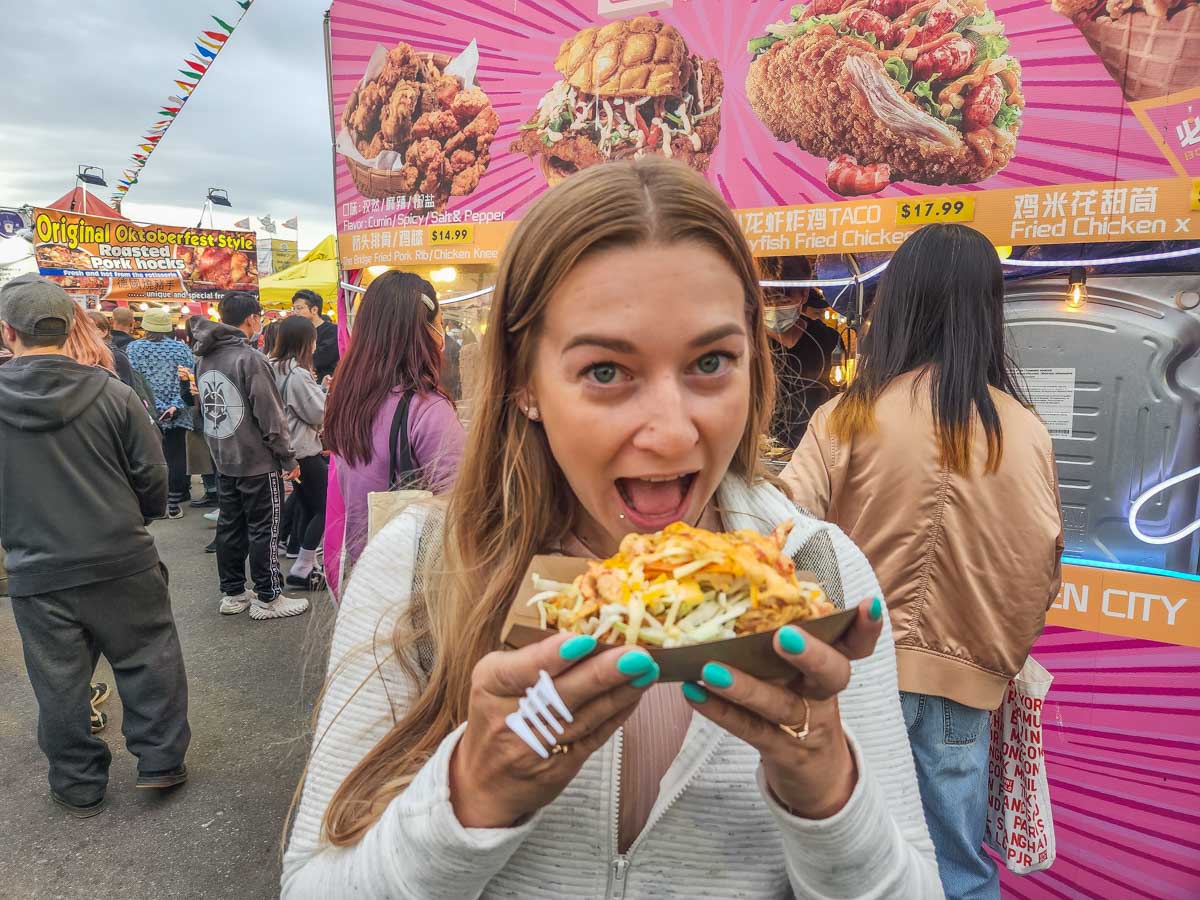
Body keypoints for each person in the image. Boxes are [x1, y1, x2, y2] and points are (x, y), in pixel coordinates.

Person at [282, 159, 939, 897]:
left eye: (712, 361)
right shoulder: (421, 569)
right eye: (605, 371)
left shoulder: (821, 573)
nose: (669, 432)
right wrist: (473, 796)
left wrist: (829, 794)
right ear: (526, 381)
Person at [782, 223, 1064, 900]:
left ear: (899, 301)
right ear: (987, 310)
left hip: (852, 675)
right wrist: (990, 658)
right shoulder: (1023, 431)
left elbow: (783, 533)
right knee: (956, 867)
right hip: (963, 691)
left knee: (842, 860)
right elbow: (1041, 568)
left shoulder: (848, 417)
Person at [0, 274, 190, 818]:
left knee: (59, 680)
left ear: (7, 331)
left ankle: (78, 782)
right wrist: (140, 516)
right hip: (121, 556)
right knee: (149, 659)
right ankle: (159, 762)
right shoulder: (114, 392)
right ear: (71, 326)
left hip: (37, 567)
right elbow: (153, 475)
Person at [321, 271, 464, 587]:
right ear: (423, 331)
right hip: (409, 579)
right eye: (439, 324)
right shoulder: (427, 409)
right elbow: (459, 512)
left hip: (358, 569)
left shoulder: (348, 397)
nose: (442, 335)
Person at [192, 291, 309, 621]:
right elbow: (270, 415)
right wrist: (287, 457)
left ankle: (232, 592)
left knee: (230, 526)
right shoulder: (249, 358)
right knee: (264, 528)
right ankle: (269, 596)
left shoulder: (206, 355)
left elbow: (207, 407)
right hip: (256, 459)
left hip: (223, 455)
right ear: (252, 319)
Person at [269, 315, 328, 589]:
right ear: (305, 341)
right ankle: (304, 566)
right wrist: (326, 393)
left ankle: (306, 563)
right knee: (325, 507)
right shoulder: (297, 374)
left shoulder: (271, 367)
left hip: (283, 450)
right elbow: (318, 411)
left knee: (307, 504)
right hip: (303, 450)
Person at [762, 256, 843, 451]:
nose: (774, 308)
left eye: (783, 300)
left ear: (804, 295)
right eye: (767, 300)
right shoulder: (746, 342)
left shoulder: (828, 340)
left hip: (815, 451)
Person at [127, 308, 195, 518]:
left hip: (148, 411)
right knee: (176, 455)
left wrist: (153, 407)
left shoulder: (134, 349)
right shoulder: (182, 350)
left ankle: (157, 501)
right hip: (179, 409)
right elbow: (189, 379)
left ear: (146, 326)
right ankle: (174, 503)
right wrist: (174, 405)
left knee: (152, 455)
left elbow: (136, 382)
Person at [291, 289, 339, 382]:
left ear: (314, 310)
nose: (295, 312)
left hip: (326, 384)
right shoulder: (298, 332)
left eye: (299, 308)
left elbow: (321, 358)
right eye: (294, 308)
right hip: (302, 382)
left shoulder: (332, 331)